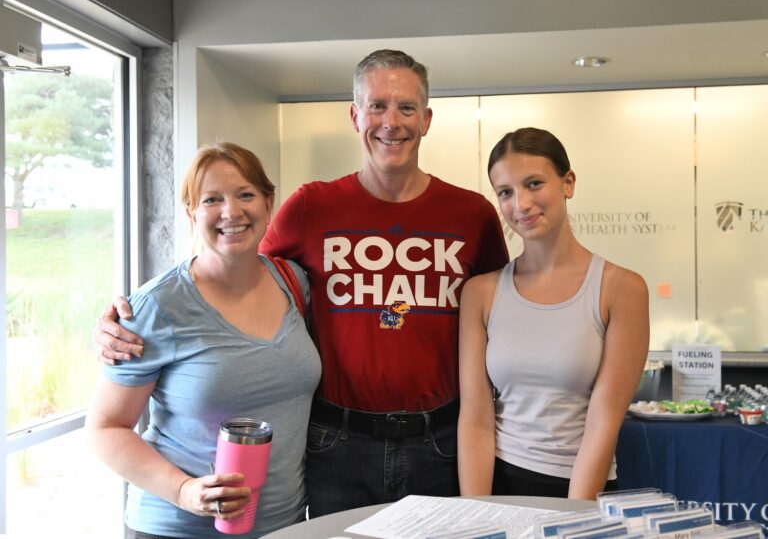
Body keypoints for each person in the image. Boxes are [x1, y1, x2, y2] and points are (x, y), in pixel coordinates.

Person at [94, 50, 508, 517]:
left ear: (427, 119)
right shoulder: (312, 206)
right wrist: (136, 315)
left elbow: (509, 312)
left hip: (442, 442)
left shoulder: (472, 215)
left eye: (406, 107)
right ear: (355, 116)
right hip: (336, 446)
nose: (391, 121)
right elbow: (234, 266)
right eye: (377, 106)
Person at [86, 142, 321, 538]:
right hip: (176, 528)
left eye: (245, 194)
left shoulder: (294, 284)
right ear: (191, 213)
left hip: (284, 526)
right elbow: (106, 428)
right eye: (212, 199)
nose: (232, 211)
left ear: (269, 202)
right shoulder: (156, 307)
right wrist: (183, 490)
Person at [457, 127, 649, 500]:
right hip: (500, 484)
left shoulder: (621, 288)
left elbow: (603, 421)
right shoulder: (480, 293)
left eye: (534, 184)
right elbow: (477, 420)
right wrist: (477, 513)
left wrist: (574, 519)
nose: (521, 204)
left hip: (583, 488)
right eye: (506, 193)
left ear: (568, 183)